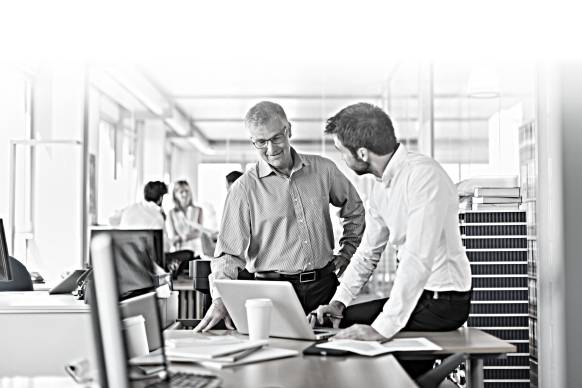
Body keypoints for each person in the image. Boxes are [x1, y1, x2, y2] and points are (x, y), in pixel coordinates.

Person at [310, 103, 472, 376]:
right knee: (336, 325)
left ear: (362, 153)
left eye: (341, 151)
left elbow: (417, 259)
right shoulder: (381, 187)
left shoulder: (424, 176)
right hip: (418, 297)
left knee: (367, 361)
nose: (343, 160)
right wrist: (338, 302)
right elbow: (367, 253)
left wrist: (379, 330)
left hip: (443, 303)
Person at [194, 101, 366, 332]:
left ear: (289, 130)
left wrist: (347, 252)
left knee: (325, 361)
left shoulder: (323, 170)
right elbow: (228, 255)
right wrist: (219, 300)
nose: (271, 148)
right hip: (271, 292)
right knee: (276, 360)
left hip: (323, 288)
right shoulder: (244, 189)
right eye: (261, 142)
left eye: (276, 138)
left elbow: (355, 210)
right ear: (252, 141)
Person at [119, 181, 170, 251]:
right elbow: (165, 248)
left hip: (125, 254)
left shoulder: (129, 208)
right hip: (146, 258)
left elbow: (111, 220)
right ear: (161, 198)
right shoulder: (157, 216)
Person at [166, 180, 205, 254]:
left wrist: (182, 237)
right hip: (180, 252)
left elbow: (199, 232)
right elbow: (173, 236)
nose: (184, 194)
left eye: (187, 191)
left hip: (196, 251)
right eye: (181, 192)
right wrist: (187, 236)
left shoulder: (199, 210)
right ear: (175, 194)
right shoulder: (171, 213)